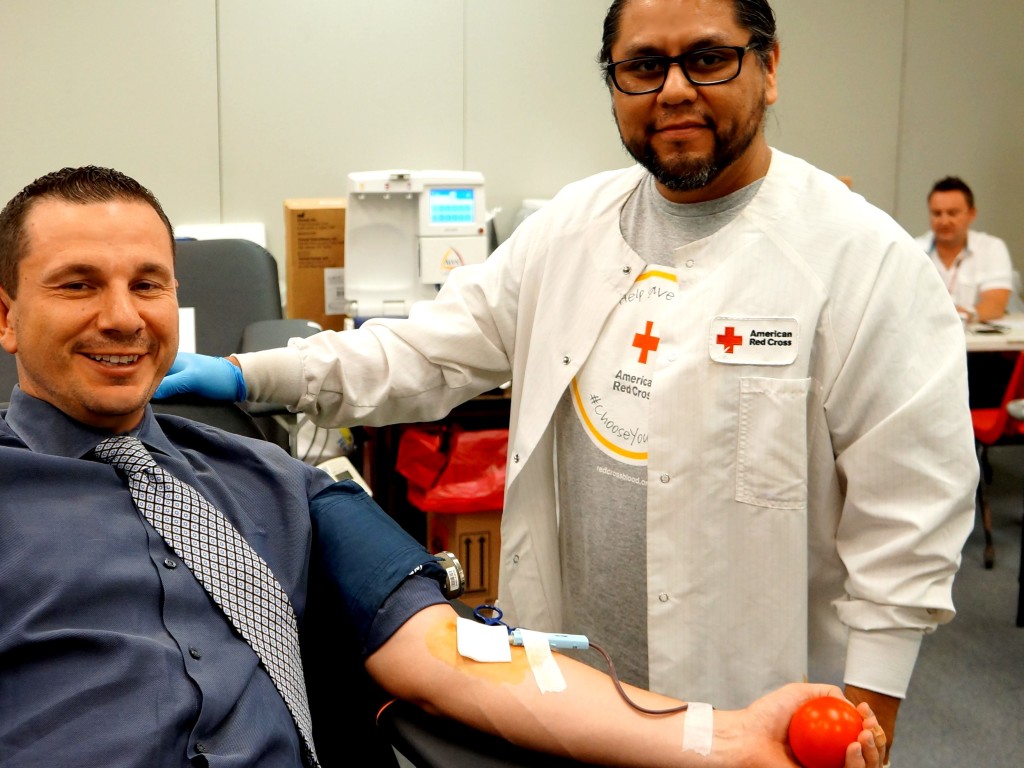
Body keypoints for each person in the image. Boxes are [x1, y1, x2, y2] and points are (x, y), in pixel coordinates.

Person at [155, 0, 978, 763]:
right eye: (644, 66)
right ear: (614, 81)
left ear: (769, 68)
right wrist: (246, 373)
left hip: (758, 697)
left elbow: (909, 515)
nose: (676, 90)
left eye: (709, 59)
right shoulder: (571, 230)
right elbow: (421, 352)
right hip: (577, 683)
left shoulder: (862, 261)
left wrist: (870, 711)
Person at [0, 166, 889, 768]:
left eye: (147, 284)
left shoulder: (280, 486)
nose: (123, 316)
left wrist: (730, 737)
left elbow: (456, 656)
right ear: (6, 318)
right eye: (77, 283)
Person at [914, 175, 1015, 325]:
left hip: (980, 342)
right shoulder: (914, 250)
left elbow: (995, 304)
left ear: (972, 214)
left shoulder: (992, 248)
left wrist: (965, 316)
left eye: (952, 213)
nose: (944, 221)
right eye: (937, 213)